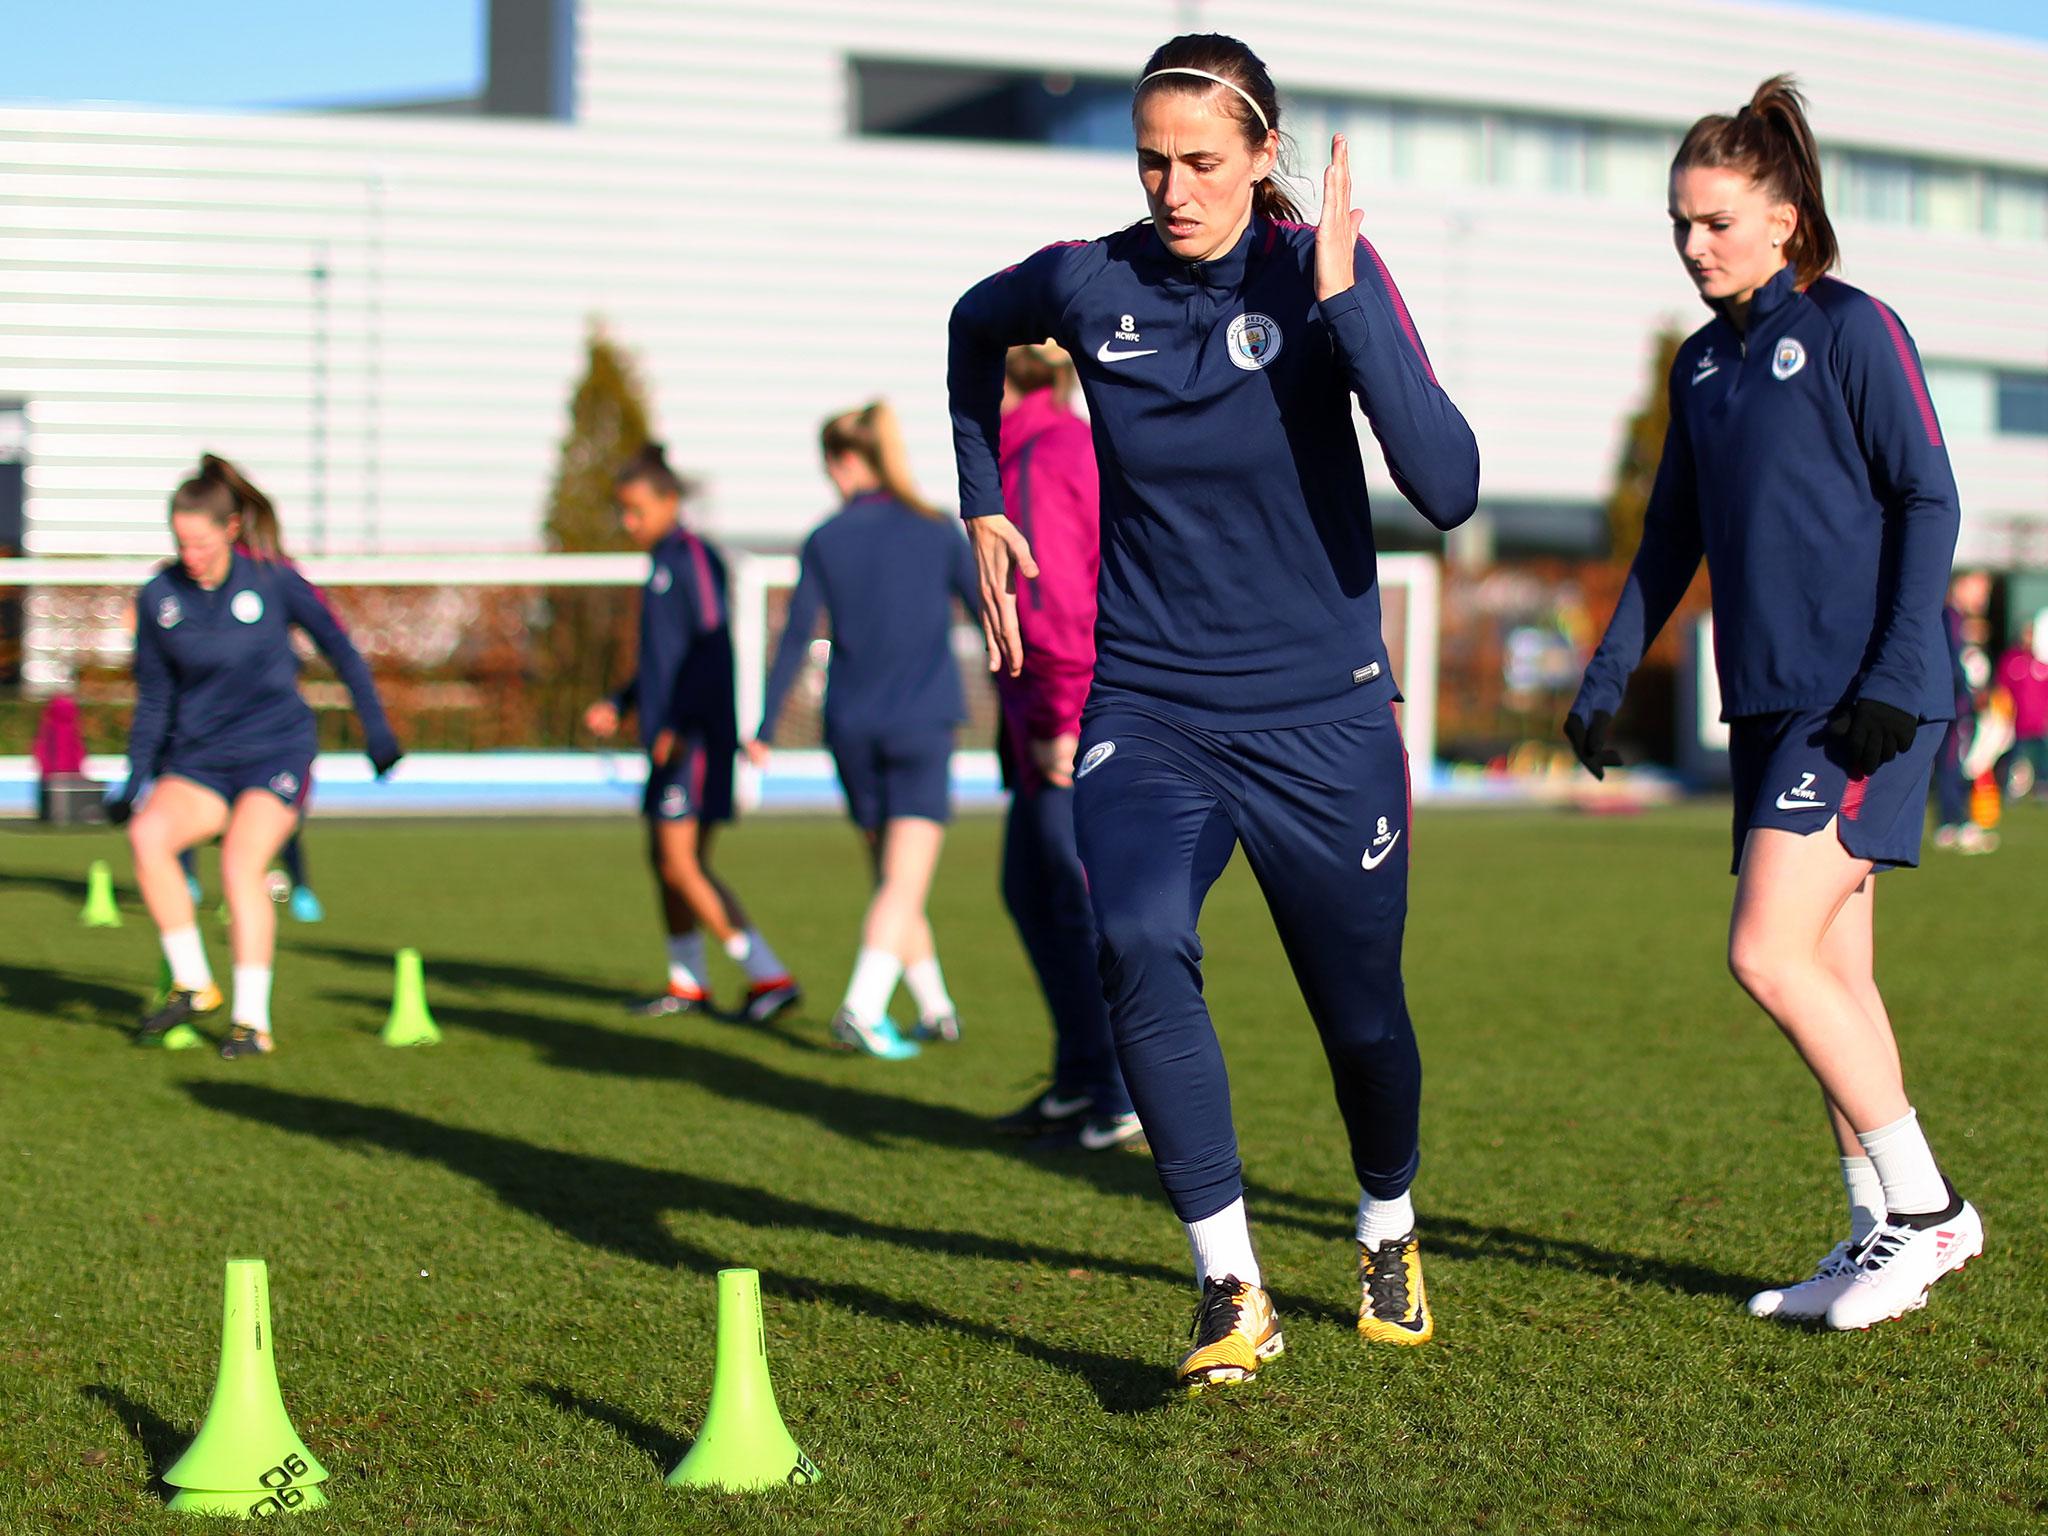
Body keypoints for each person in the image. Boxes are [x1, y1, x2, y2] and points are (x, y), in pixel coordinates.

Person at [949, 33, 1480, 1387]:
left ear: (1262, 155)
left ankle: (1385, 1222)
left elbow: (1449, 483)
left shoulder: (1324, 278)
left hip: (1324, 719)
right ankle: (1229, 1285)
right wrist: (984, 498)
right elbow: (969, 322)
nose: (1173, 187)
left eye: (1200, 160)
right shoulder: (1087, 280)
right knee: (1130, 931)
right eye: (1151, 159)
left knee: (1361, 1016)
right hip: (1153, 704)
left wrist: (1350, 302)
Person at [1566, 77, 1982, 1332]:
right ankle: (1872, 1231)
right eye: (1680, 224)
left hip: (1859, 702)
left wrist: (1892, 681)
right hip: (1766, 706)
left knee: (1763, 952)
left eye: (1718, 221)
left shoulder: (1855, 330)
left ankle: (1925, 1214)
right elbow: (1669, 536)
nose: (1696, 245)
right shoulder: (1701, 365)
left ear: (1784, 218)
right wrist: (1602, 681)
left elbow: (1929, 501)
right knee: (1830, 970)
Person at [111, 454, 401, 1057]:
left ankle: (252, 1024)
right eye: (180, 542)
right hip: (201, 761)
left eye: (200, 542)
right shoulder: (159, 596)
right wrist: (135, 777)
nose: (190, 554)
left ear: (231, 530)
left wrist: (376, 731)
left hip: (275, 752)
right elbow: (156, 697)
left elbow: (342, 652)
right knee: (147, 836)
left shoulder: (273, 580)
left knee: (242, 865)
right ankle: (193, 984)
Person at [749, 401, 980, 1060]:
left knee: (892, 879)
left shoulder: (826, 538)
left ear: (845, 462)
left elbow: (795, 637)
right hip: (921, 725)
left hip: (851, 727)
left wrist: (764, 725)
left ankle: (936, 1008)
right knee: (903, 882)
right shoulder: (936, 530)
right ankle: (863, 1004)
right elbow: (990, 612)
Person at [585, 444, 800, 1025]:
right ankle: (689, 982)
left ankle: (769, 975)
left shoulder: (692, 559)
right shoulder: (660, 562)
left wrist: (678, 727)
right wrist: (621, 700)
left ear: (670, 502)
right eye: (623, 512)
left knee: (680, 862)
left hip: (695, 741)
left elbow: (708, 649)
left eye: (637, 510)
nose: (629, 522)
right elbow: (664, 659)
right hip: (672, 738)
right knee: (667, 859)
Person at [985, 344, 1138, 1153]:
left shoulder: (1045, 452)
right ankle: (1085, 1077)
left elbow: (1051, 595)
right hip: (1052, 714)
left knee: (1078, 902)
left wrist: (1058, 719)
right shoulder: (1051, 444)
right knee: (1033, 889)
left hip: (1066, 716)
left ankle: (1119, 1090)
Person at [1995, 620, 2048, 802]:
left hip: (2037, 721)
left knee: (2043, 756)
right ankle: (2008, 789)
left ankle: (2043, 786)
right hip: (2016, 721)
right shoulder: (2011, 660)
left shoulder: (2040, 662)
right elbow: (2002, 689)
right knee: (2013, 755)